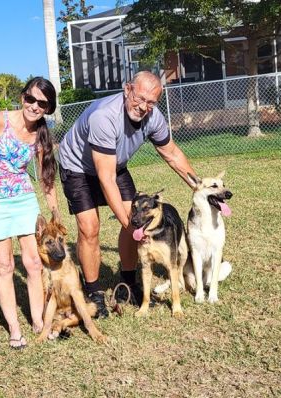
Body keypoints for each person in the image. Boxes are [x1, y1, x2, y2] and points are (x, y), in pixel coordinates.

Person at [58, 71, 197, 318]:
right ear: (127, 89)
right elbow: (105, 178)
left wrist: (198, 187)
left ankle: (128, 282)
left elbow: (172, 154)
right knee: (90, 228)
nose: (143, 107)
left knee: (134, 219)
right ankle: (94, 293)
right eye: (139, 98)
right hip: (78, 167)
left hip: (115, 164)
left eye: (151, 102)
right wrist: (132, 226)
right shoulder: (105, 117)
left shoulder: (154, 118)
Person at [0, 77, 59, 349]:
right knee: (5, 266)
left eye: (41, 103)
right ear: (23, 98)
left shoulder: (41, 134)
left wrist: (54, 211)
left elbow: (46, 176)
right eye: (30, 99)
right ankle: (15, 329)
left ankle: (39, 320)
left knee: (32, 263)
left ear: (48, 108)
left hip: (23, 199)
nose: (34, 106)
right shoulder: (0, 120)